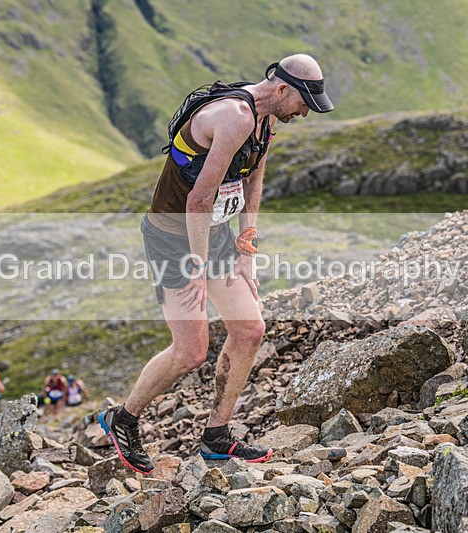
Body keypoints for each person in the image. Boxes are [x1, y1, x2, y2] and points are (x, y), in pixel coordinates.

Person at [93, 54, 333, 475]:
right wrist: (198, 268)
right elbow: (198, 199)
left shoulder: (264, 120)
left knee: (250, 329)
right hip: (173, 239)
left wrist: (247, 252)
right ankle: (123, 419)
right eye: (303, 103)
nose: (304, 113)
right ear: (282, 89)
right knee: (190, 351)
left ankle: (216, 437)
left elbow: (253, 179)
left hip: (213, 233)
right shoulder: (234, 117)